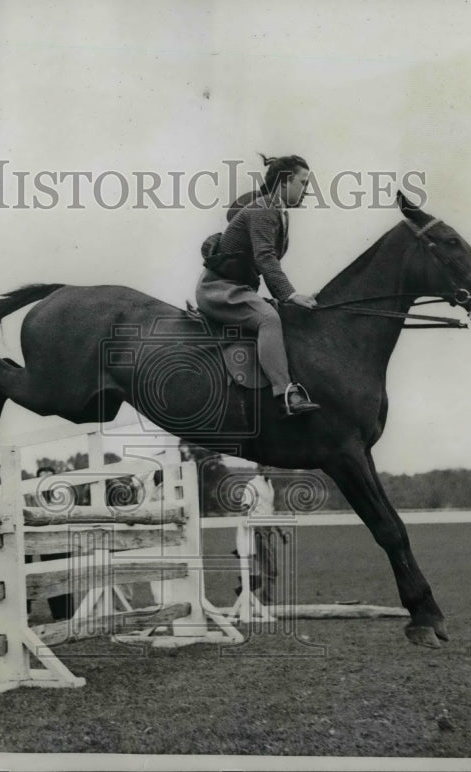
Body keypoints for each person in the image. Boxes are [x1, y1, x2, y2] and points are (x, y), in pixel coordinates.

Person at [197, 154, 321, 417]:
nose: (307, 190)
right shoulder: (265, 208)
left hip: (238, 289)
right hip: (219, 289)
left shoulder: (276, 211)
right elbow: (265, 257)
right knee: (268, 319)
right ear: (285, 181)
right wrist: (290, 294)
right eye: (303, 182)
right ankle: (285, 393)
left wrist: (290, 297)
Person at [234, 465, 288, 605]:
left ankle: (251, 594)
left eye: (272, 467)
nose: (271, 470)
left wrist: (280, 531)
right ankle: (265, 602)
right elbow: (244, 507)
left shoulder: (269, 484)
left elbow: (270, 511)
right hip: (257, 529)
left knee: (270, 567)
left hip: (268, 529)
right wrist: (247, 531)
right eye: (268, 467)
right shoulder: (253, 485)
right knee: (270, 568)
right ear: (260, 468)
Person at [33, 466, 76, 622]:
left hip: (62, 539)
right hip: (45, 541)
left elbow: (53, 514)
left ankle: (68, 613)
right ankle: (57, 615)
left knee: (63, 576)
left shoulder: (62, 492)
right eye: (41, 477)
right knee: (49, 577)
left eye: (49, 477)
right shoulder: (36, 494)